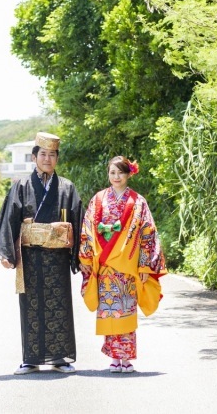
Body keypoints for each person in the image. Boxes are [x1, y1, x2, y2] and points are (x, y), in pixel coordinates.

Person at [0, 132, 83, 375]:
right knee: (30, 306)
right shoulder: (21, 186)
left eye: (52, 155)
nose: (47, 159)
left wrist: (80, 258)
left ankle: (60, 357)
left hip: (57, 258)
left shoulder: (67, 188)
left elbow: (78, 222)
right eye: (43, 154)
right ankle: (30, 359)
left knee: (59, 305)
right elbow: (10, 219)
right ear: (34, 157)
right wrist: (8, 253)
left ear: (57, 159)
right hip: (30, 258)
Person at [79, 156, 166, 373]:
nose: (116, 177)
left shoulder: (138, 202)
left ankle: (126, 358)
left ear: (128, 174)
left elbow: (148, 234)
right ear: (108, 174)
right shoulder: (98, 199)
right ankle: (113, 358)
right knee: (110, 310)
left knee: (126, 310)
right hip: (106, 265)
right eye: (112, 173)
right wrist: (86, 258)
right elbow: (88, 229)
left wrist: (145, 266)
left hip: (128, 265)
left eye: (120, 173)